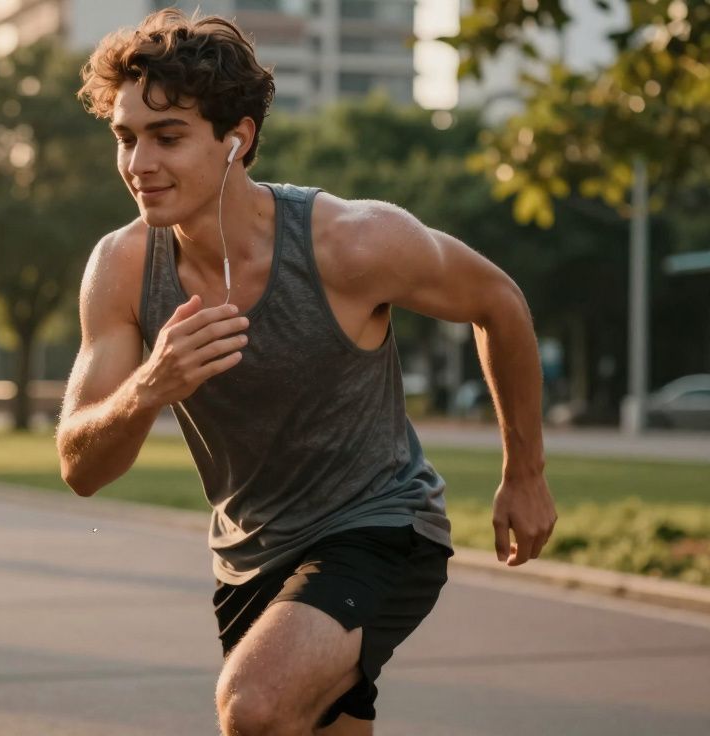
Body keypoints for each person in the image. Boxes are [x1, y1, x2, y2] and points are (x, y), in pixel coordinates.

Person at [57, 11, 557, 736]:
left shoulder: (351, 243)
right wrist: (149, 387)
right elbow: (80, 468)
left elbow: (499, 303)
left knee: (255, 705)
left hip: (380, 523)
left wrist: (526, 473)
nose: (139, 164)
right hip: (249, 558)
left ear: (238, 139)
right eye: (126, 138)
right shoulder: (123, 266)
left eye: (167, 137)